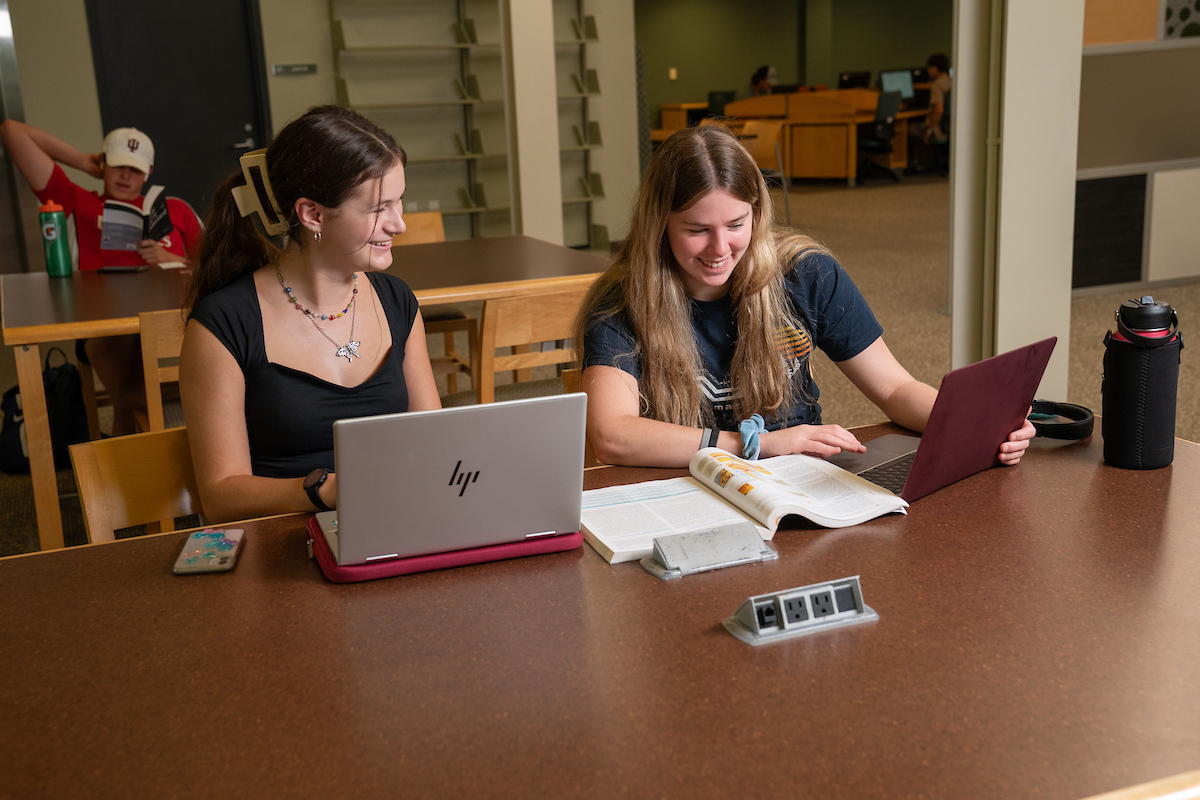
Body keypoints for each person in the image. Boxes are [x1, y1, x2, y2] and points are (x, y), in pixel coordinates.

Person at [573, 125, 1035, 469]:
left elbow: (895, 390)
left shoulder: (806, 273)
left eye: (736, 225)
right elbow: (613, 435)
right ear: (660, 225)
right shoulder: (621, 302)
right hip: (686, 487)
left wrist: (979, 424)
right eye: (697, 230)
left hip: (799, 486)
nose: (720, 249)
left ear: (757, 213)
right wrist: (753, 445)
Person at [179, 105, 440, 523]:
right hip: (282, 544)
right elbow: (220, 495)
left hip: (392, 524)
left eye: (399, 203)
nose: (399, 224)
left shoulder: (397, 302)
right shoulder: (224, 323)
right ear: (312, 214)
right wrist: (328, 490)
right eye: (378, 209)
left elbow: (433, 442)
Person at [0, 121, 203, 435]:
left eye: (134, 169)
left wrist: (172, 259)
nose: (125, 175)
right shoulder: (77, 202)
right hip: (107, 325)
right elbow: (12, 131)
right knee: (135, 394)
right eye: (117, 165)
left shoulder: (176, 211)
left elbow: (216, 266)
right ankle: (131, 478)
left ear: (148, 172)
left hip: (172, 319)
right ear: (104, 164)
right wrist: (84, 162)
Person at [923, 53, 952, 143]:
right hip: (950, 127)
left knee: (909, 128)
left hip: (938, 130)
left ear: (935, 68)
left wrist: (929, 131)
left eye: (929, 68)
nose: (928, 71)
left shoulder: (937, 85)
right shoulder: (952, 81)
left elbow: (938, 110)